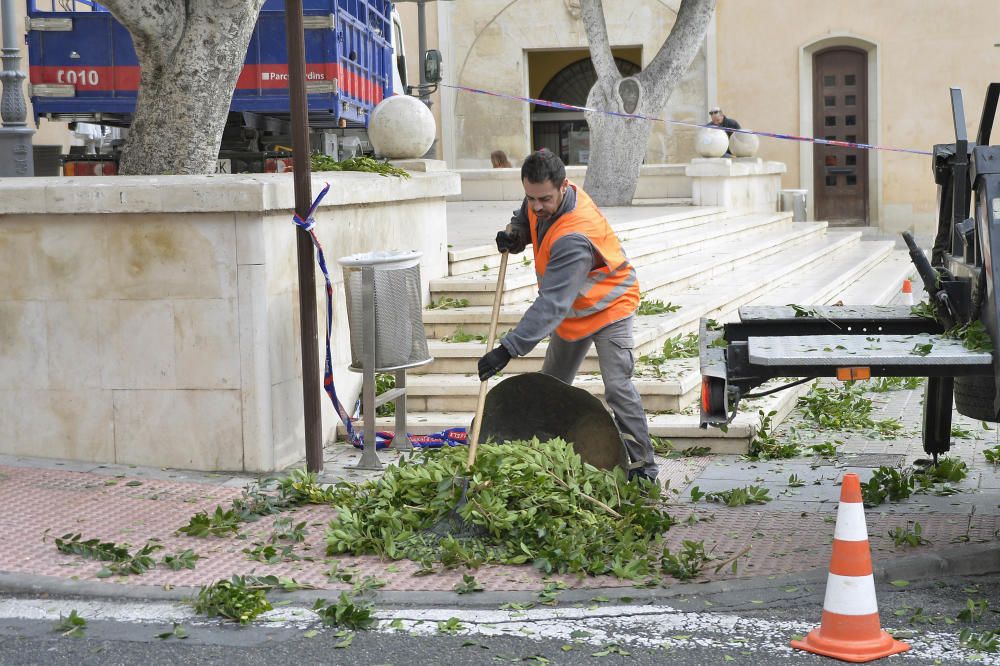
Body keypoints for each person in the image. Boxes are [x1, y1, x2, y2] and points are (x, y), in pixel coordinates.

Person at [477, 149, 658, 483]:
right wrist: (516, 235)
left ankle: (643, 466)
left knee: (617, 387)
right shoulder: (539, 196)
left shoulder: (575, 236)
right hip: (574, 311)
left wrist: (507, 350)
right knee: (551, 388)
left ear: (563, 187)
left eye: (543, 199)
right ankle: (546, 458)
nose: (536, 207)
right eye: (530, 197)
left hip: (608, 308)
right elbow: (526, 217)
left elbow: (551, 305)